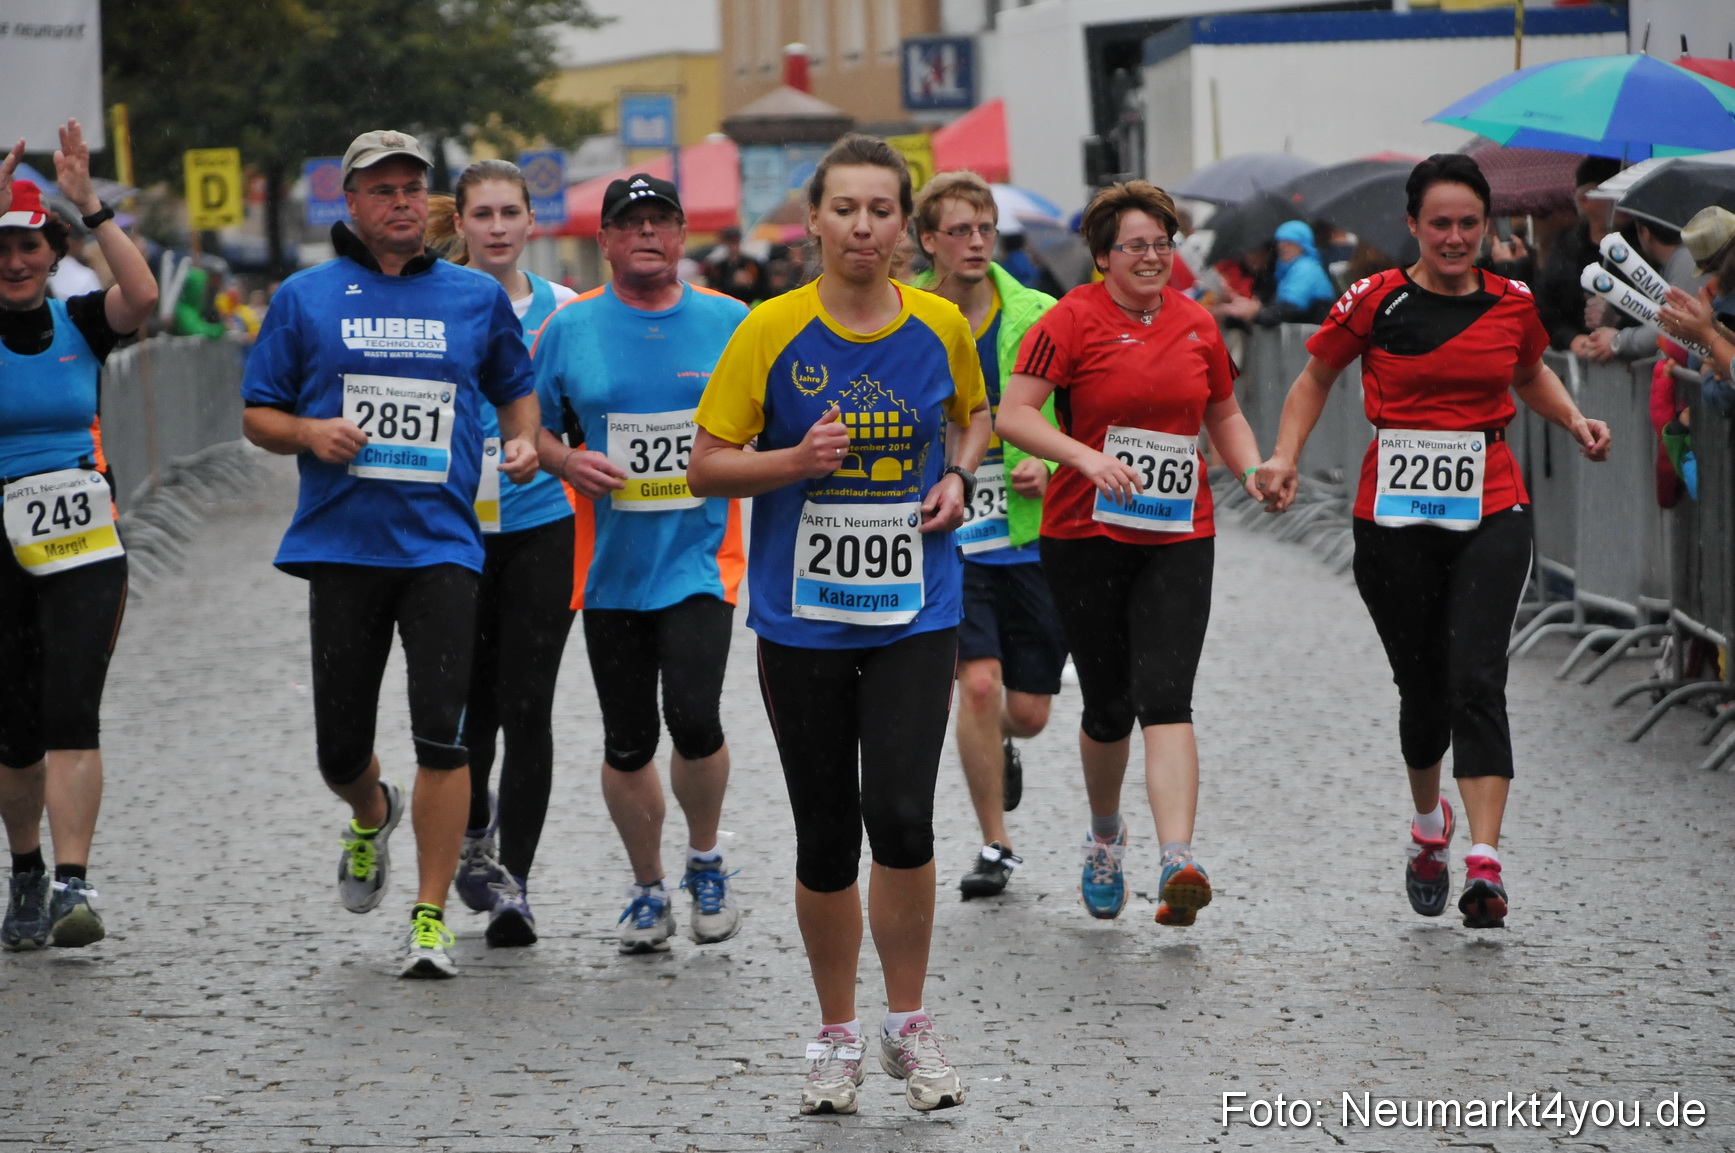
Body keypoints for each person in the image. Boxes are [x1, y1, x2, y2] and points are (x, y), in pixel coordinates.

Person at [688, 134, 988, 1116]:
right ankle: (834, 1033)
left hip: (913, 606)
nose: (864, 226)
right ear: (813, 221)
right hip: (802, 617)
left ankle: (908, 1021)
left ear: (906, 226)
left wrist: (955, 475)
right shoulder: (768, 330)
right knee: (826, 831)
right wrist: (790, 462)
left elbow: (972, 417)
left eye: (881, 209)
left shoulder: (940, 322)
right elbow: (704, 464)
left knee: (900, 814)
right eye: (845, 208)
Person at [1255, 153, 1611, 930]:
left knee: (1476, 677)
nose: (1454, 238)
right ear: (1413, 225)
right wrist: (1282, 454)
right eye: (1439, 224)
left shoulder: (1511, 302)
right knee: (1422, 692)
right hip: (1391, 519)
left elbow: (1528, 374)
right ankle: (1428, 828)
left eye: (1467, 224)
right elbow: (1312, 377)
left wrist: (1572, 418)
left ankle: (1485, 860)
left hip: (1490, 505)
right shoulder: (1374, 299)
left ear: (1486, 227)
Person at [241, 130, 541, 978]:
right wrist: (308, 429)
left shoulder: (474, 298)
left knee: (445, 734)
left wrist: (521, 443)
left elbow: (515, 393)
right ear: (351, 203)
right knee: (339, 747)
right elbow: (256, 414)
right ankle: (371, 811)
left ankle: (429, 914)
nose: (402, 202)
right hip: (341, 544)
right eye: (383, 190)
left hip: (443, 544)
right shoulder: (305, 297)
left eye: (413, 188)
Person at [996, 180, 1265, 929]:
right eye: (1135, 246)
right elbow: (1015, 413)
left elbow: (1223, 411)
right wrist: (1081, 458)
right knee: (1108, 705)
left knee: (1167, 694)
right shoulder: (1069, 321)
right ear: (1102, 255)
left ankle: (1177, 856)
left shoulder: (1195, 322)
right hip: (1085, 534)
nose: (1152, 258)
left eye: (1162, 244)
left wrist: (1251, 471)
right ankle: (1106, 833)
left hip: (1178, 531)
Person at [532, 174, 750, 955]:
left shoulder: (731, 320)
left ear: (683, 233)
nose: (646, 235)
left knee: (694, 719)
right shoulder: (570, 328)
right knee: (626, 738)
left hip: (700, 558)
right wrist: (567, 461)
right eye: (630, 224)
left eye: (661, 221)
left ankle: (706, 856)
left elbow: (772, 417)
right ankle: (648, 886)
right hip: (610, 570)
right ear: (605, 241)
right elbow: (531, 432)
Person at [0, 123, 158, 951]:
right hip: (0, 542)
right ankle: (25, 867)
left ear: (49, 250)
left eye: (30, 246)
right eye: (3, 248)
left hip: (81, 541)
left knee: (72, 709)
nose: (18, 262)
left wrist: (90, 205)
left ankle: (70, 881)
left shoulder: (79, 320)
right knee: (13, 728)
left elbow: (144, 298)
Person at [423, 161, 578, 947]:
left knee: (528, 706)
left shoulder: (565, 311)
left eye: (509, 212)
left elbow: (584, 412)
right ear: (462, 221)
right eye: (480, 212)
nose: (494, 227)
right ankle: (474, 828)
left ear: (530, 221)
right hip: (452, 528)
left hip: (541, 523)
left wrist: (543, 449)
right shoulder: (436, 300)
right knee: (466, 710)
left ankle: (515, 880)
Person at [910, 170, 1065, 899]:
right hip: (951, 531)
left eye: (984, 228)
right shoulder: (905, 316)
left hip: (1032, 533)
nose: (975, 243)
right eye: (960, 230)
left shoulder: (1038, 312)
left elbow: (1069, 412)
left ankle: (1003, 738)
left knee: (1026, 710)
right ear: (928, 240)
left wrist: (1042, 459)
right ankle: (994, 842)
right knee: (975, 684)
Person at [1581, 217, 1711, 363]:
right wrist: (1614, 321)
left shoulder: (1686, 260)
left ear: (1646, 233)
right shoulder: (1679, 260)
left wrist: (1618, 341)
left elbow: (1671, 326)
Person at [1536, 156, 1621, 353]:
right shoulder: (1565, 248)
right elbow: (1545, 311)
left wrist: (1618, 323)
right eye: (1613, 190)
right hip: (1578, 372)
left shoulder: (1641, 244)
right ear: (1585, 201)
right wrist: (1572, 339)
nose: (1622, 198)